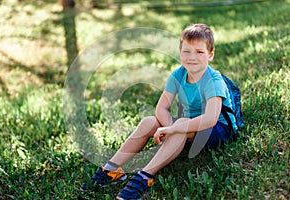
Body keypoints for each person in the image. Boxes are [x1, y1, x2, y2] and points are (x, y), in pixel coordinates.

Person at [80, 23, 237, 200]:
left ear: (211, 54)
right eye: (186, 51)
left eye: (199, 52)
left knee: (180, 125)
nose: (192, 57)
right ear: (180, 53)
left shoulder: (213, 80)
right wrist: (171, 128)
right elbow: (161, 108)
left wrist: (172, 130)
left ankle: (145, 177)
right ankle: (112, 169)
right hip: (189, 127)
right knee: (149, 121)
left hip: (218, 129)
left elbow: (210, 118)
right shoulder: (178, 75)